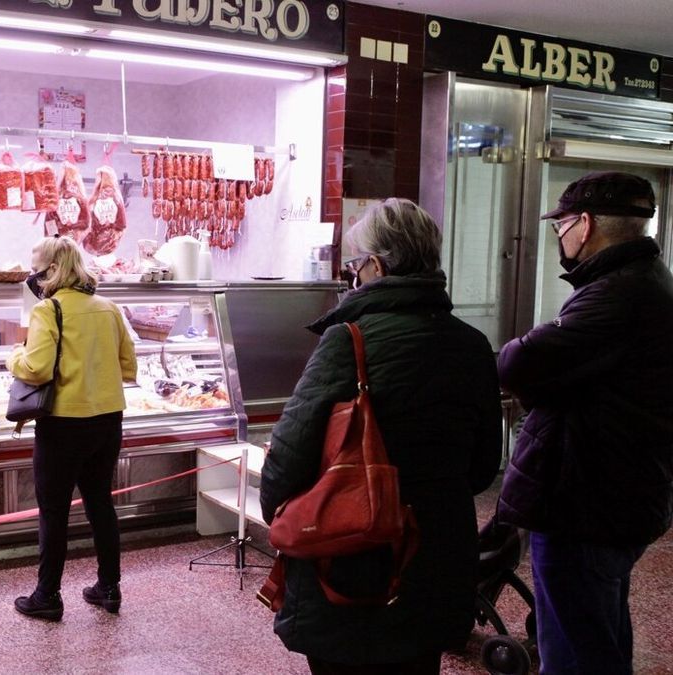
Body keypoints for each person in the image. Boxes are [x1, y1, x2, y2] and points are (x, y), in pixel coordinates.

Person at [260, 199, 502, 675]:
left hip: (356, 553)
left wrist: (284, 517)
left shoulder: (348, 339)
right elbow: (481, 465)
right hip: (438, 553)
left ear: (374, 265)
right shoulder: (472, 344)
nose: (353, 275)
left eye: (354, 265)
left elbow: (287, 458)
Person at [498, 172, 673, 675]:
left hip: (587, 500)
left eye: (562, 226)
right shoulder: (641, 282)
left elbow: (517, 363)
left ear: (586, 224)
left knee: (574, 649)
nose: (560, 236)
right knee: (599, 630)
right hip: (618, 492)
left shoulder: (618, 294)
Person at [8, 235, 137, 621]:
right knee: (101, 504)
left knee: (54, 512)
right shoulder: (109, 307)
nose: (34, 277)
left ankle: (47, 595)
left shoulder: (49, 311)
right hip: (107, 420)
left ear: (52, 271)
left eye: (36, 270)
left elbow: (37, 368)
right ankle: (109, 588)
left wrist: (14, 356)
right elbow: (128, 366)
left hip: (63, 424)